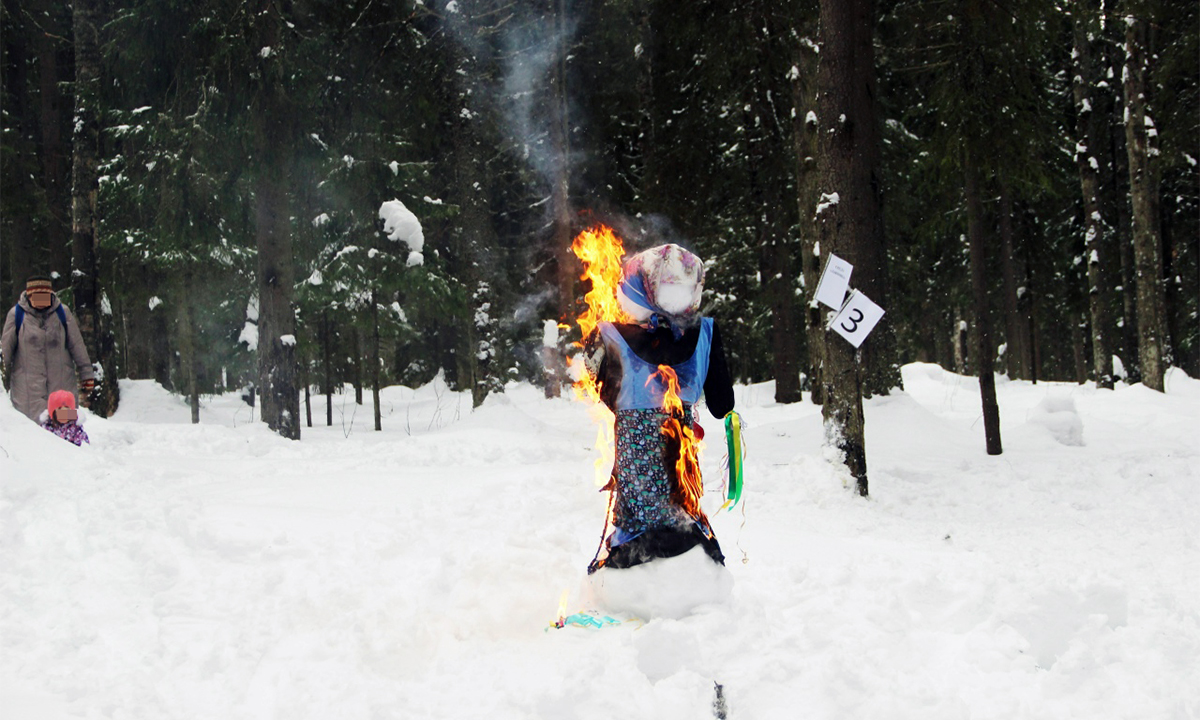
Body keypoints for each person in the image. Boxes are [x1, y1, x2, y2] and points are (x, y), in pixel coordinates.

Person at [585, 244, 736, 573]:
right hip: (685, 510)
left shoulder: (606, 337)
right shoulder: (705, 334)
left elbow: (605, 395)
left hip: (635, 520)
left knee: (628, 571)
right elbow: (723, 404)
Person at [1, 275, 95, 421]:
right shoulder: (16, 315)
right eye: (37, 296)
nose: (41, 300)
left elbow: (77, 345)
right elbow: (5, 351)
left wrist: (87, 374)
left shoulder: (63, 312)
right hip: (27, 395)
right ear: (29, 295)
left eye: (44, 296)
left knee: (66, 427)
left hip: (62, 389)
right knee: (31, 430)